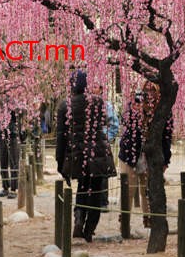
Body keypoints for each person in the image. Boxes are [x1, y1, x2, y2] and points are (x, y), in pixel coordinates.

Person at [56, 70, 116, 242]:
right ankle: (89, 229)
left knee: (82, 187)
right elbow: (103, 123)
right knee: (96, 191)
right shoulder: (98, 102)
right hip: (98, 151)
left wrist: (60, 162)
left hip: (77, 152)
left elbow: (61, 136)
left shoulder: (64, 106)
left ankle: (78, 219)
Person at [118, 81, 172, 228]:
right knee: (128, 188)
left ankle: (149, 220)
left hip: (151, 155)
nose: (150, 93)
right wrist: (135, 108)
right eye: (147, 90)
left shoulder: (163, 109)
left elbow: (167, 136)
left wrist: (166, 160)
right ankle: (124, 222)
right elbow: (125, 122)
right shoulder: (134, 104)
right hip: (130, 153)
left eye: (153, 90)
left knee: (147, 189)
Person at [91, 84, 119, 211]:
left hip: (102, 143)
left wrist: (106, 137)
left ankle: (103, 202)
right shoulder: (86, 104)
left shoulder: (107, 106)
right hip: (89, 143)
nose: (93, 89)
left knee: (103, 172)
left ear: (101, 90)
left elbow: (114, 125)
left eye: (96, 86)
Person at [0, 108, 22, 199]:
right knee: (2, 160)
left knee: (14, 162)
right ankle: (5, 187)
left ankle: (14, 189)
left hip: (13, 133)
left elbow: (20, 115)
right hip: (1, 132)